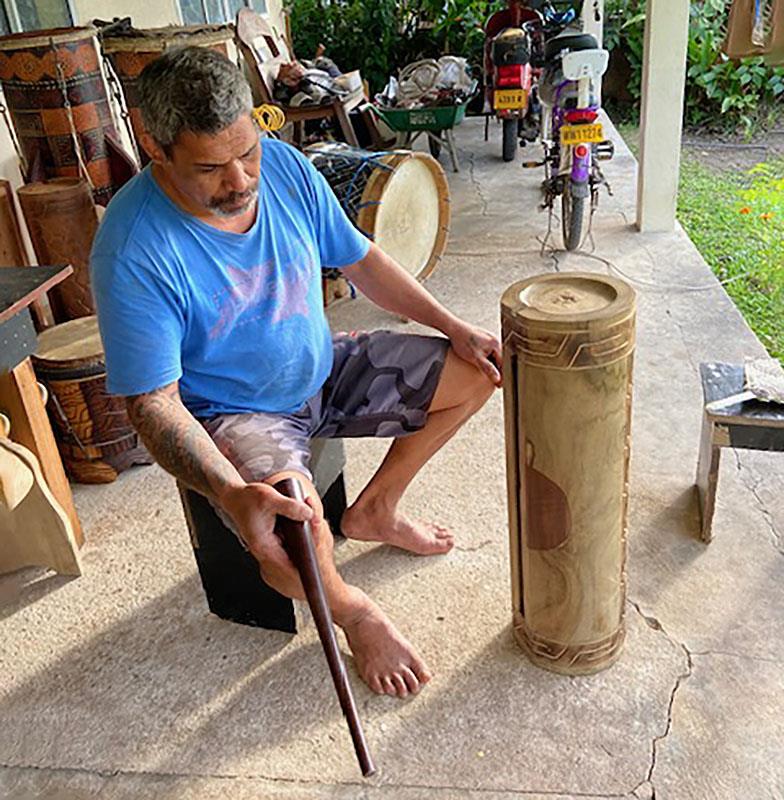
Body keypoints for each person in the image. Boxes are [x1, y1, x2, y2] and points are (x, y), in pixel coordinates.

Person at [90, 47, 501, 699]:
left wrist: (455, 327)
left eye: (247, 152)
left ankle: (377, 508)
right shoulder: (134, 247)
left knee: (474, 373)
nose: (241, 180)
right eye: (211, 168)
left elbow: (361, 261)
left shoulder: (282, 166)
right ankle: (356, 614)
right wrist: (231, 492)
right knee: (293, 535)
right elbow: (153, 404)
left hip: (323, 366)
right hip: (242, 415)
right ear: (156, 147)